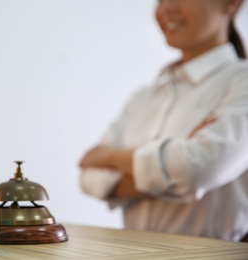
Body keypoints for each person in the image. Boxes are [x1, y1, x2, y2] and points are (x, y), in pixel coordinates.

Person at [79, 0, 248, 242]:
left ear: (232, 3)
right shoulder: (143, 97)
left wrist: (110, 157)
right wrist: (174, 167)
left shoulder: (242, 82)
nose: (166, 7)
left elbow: (197, 169)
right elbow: (88, 177)